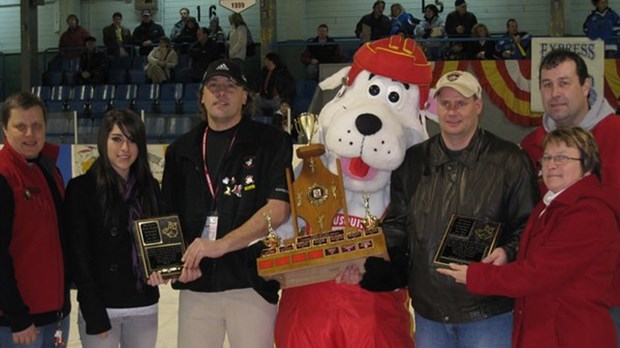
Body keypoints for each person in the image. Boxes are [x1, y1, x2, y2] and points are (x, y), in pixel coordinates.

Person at [381, 70, 539, 348]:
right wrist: (367, 258)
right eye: (445, 104)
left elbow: (529, 225)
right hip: (429, 314)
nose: (452, 112)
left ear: (478, 105)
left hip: (488, 311)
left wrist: (508, 251)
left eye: (461, 103)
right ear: (435, 108)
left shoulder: (511, 161)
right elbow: (396, 225)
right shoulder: (414, 162)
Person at [438, 127, 620, 348]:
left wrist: (477, 275)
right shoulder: (551, 205)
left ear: (588, 167)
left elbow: (539, 273)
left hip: (571, 334)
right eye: (547, 157)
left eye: (562, 158)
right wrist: (507, 254)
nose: (551, 165)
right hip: (546, 331)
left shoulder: (589, 213)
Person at [161, 58, 293, 348]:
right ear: (202, 96)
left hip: (252, 283)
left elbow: (279, 209)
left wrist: (221, 245)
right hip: (196, 286)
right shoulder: (179, 151)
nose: (222, 92)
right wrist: (174, 263)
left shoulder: (272, 142)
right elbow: (167, 218)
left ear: (245, 96)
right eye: (214, 86)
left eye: (231, 86)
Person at [520, 48, 620, 345]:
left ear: (586, 85)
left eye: (564, 83)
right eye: (547, 84)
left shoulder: (616, 135)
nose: (555, 93)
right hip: (548, 297)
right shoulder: (532, 146)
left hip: (609, 299)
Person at [64, 109, 166, 348]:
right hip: (103, 306)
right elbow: (78, 255)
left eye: (132, 140)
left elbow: (160, 239)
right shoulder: (81, 189)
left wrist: (163, 267)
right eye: (117, 139)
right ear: (104, 140)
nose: (125, 149)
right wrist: (94, 312)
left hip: (144, 303)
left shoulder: (149, 187)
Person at [0, 92, 71, 347]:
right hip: (18, 325)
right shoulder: (4, 175)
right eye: (20, 126)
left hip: (55, 316)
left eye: (36, 126)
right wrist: (16, 316)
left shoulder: (48, 169)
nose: (30, 134)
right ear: (4, 130)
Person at [254, 53, 296, 118]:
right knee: (253, 102)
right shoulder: (265, 71)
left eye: (266, 60)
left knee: (279, 105)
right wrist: (258, 92)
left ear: (271, 61)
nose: (265, 62)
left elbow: (290, 86)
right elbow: (259, 82)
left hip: (277, 99)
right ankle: (260, 120)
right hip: (264, 97)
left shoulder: (282, 72)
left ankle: (276, 121)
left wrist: (280, 95)